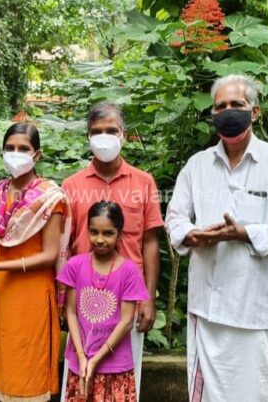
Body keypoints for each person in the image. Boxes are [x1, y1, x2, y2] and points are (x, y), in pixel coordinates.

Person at [165, 74, 268, 402]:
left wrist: (245, 233)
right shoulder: (197, 165)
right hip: (208, 312)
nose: (228, 111)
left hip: (259, 311)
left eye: (237, 104)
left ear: (255, 112)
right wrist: (192, 235)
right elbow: (175, 217)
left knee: (261, 393)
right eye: (220, 106)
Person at [0, 122, 72, 401]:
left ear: (37, 155)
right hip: (2, 291)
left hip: (32, 294)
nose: (15, 153)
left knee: (28, 367)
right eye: (10, 148)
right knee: (3, 363)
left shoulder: (50, 198)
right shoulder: (0, 191)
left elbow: (49, 256)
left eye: (23, 148)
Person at [61, 102, 163, 400]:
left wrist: (149, 298)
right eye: (97, 131)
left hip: (129, 303)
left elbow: (151, 241)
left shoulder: (144, 182)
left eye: (111, 130)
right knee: (80, 379)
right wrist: (62, 301)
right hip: (83, 305)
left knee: (124, 382)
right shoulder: (71, 185)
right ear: (88, 136)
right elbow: (65, 246)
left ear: (124, 135)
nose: (104, 137)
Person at [57, 201, 149, 401]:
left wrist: (95, 360)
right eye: (94, 232)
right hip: (80, 364)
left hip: (115, 367)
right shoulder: (74, 266)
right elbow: (70, 312)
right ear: (87, 231)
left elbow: (126, 322)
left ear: (119, 235)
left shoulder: (130, 271)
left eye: (108, 233)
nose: (99, 239)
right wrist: (82, 357)